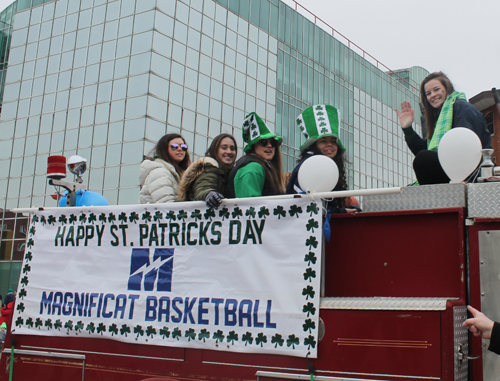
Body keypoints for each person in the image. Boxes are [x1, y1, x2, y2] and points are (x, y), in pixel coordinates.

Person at [396, 71, 491, 185]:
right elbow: (425, 151)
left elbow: (467, 147)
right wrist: (407, 129)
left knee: (423, 159)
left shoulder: (462, 109)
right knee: (423, 159)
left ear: (447, 89)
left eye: (436, 89)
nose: (433, 95)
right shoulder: (441, 120)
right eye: (428, 93)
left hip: (470, 175)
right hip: (451, 171)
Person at [286, 104, 360, 214]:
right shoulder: (311, 165)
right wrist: (343, 211)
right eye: (323, 141)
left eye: (333, 141)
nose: (329, 145)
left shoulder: (325, 165)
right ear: (314, 145)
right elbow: (308, 208)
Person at [227, 112, 284, 198]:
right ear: (253, 146)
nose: (269, 146)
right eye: (263, 142)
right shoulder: (253, 168)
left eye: (273, 142)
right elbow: (250, 207)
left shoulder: (262, 166)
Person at [178, 133, 237, 209]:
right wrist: (209, 193)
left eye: (232, 148)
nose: (229, 152)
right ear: (215, 150)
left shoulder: (228, 171)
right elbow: (203, 187)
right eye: (224, 148)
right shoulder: (209, 167)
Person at [139, 133, 191, 204]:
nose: (180, 149)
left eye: (183, 147)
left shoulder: (178, 172)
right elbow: (166, 205)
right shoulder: (160, 172)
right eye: (174, 146)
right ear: (164, 149)